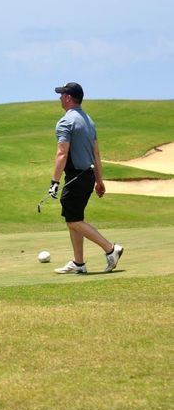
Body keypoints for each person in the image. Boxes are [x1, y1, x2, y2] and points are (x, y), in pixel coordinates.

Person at [48, 82, 123, 274]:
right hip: (88, 176)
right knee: (74, 217)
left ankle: (110, 249)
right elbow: (96, 154)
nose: (59, 98)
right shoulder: (89, 121)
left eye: (61, 95)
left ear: (67, 98)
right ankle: (78, 264)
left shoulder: (66, 122)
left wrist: (54, 182)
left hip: (76, 177)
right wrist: (99, 180)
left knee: (73, 221)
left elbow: (61, 153)